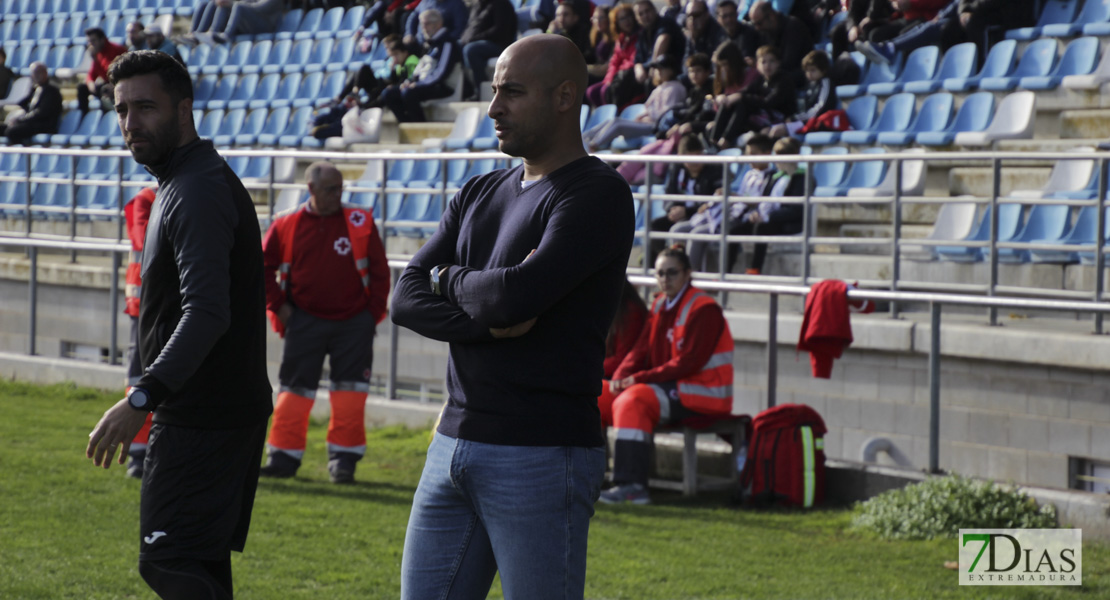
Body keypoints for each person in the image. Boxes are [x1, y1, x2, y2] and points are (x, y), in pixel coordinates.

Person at [390, 34, 634, 599]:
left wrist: (449, 280)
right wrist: (485, 313)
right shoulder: (480, 190)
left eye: (513, 93)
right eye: (495, 91)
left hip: (542, 454)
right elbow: (403, 296)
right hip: (450, 444)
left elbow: (511, 300)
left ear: (565, 97)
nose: (494, 108)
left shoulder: (597, 194)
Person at [85, 50, 272, 600]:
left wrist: (140, 399)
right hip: (209, 411)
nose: (130, 123)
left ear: (184, 109)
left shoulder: (195, 189)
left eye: (145, 107)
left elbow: (207, 312)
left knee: (167, 561)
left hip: (204, 417)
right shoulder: (181, 180)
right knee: (199, 564)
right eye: (121, 110)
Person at [259, 162, 389, 484]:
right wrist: (281, 307)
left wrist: (369, 316)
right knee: (294, 392)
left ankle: (344, 463)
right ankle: (283, 458)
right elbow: (260, 268)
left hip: (353, 324)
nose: (338, 195)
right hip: (304, 321)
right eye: (331, 189)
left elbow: (381, 272)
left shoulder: (360, 221)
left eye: (341, 188)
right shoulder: (286, 224)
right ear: (311, 190)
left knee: (350, 394)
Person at [597, 246, 734, 504]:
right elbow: (641, 349)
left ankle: (632, 486)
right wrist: (622, 376)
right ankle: (589, 476)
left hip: (703, 394)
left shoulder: (704, 308)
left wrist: (639, 379)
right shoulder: (660, 304)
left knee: (633, 400)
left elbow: (689, 362)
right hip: (669, 389)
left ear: (687, 274)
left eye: (672, 273)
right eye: (660, 273)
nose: (665, 279)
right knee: (596, 394)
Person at [669, 132, 774, 271]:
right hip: (725, 213)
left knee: (697, 235)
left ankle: (690, 279)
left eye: (753, 154)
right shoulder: (749, 174)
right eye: (748, 154)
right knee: (676, 230)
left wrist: (732, 197)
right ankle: (674, 270)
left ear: (767, 153)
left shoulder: (771, 177)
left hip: (738, 219)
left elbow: (759, 203)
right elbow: (741, 197)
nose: (749, 158)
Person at [727, 135, 806, 274]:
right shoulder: (775, 176)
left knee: (761, 227)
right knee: (735, 230)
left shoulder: (802, 178)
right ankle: (725, 271)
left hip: (787, 223)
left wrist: (767, 217)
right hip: (767, 219)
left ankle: (754, 268)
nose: (775, 161)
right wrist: (756, 213)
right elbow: (764, 201)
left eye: (779, 157)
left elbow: (796, 210)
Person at [122, 185, 157, 479]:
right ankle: (138, 453)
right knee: (140, 379)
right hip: (146, 307)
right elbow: (147, 243)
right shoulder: (147, 199)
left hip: (183, 308)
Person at [582, 55, 685, 151]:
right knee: (614, 120)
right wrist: (643, 116)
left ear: (672, 70)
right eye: (657, 68)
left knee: (618, 125)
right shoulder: (660, 87)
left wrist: (647, 117)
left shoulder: (675, 88)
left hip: (654, 126)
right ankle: (583, 138)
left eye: (662, 68)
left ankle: (593, 146)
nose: (658, 71)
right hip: (647, 122)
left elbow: (666, 113)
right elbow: (647, 107)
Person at [376, 9, 461, 123]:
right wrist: (409, 81)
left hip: (443, 86)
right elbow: (420, 69)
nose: (424, 28)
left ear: (439, 24)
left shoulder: (447, 43)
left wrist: (417, 84)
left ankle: (419, 125)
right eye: (422, 24)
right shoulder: (429, 43)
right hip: (426, 83)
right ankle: (407, 124)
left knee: (409, 93)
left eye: (427, 24)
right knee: (389, 93)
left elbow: (441, 72)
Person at [650, 133, 722, 260]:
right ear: (681, 157)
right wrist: (672, 210)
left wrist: (687, 212)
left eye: (698, 156)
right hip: (680, 213)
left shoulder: (714, 168)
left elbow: (713, 201)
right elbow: (669, 193)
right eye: (690, 157)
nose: (695, 162)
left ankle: (678, 266)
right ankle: (660, 262)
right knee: (656, 226)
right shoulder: (676, 167)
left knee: (679, 230)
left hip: (701, 216)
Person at [709, 44, 796, 149]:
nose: (767, 65)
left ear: (778, 63)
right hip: (764, 116)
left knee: (743, 104)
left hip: (779, 118)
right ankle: (713, 141)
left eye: (772, 61)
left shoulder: (783, 80)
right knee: (730, 102)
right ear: (758, 65)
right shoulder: (761, 79)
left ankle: (725, 142)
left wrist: (741, 96)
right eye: (763, 62)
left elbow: (768, 102)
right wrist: (725, 97)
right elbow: (744, 92)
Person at [767, 49, 836, 138]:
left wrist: (795, 118)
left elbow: (820, 108)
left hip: (816, 122)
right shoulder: (810, 84)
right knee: (766, 131)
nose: (809, 74)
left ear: (823, 70)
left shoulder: (826, 82)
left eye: (813, 70)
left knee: (777, 131)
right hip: (805, 120)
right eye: (807, 71)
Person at [459, 0, 518, 100]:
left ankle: (481, 91)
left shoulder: (501, 4)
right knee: (454, 47)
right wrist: (464, 40)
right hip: (477, 42)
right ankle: (466, 89)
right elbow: (470, 28)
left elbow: (500, 30)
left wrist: (474, 38)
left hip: (499, 44)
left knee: (471, 50)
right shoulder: (477, 5)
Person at [339, 34, 419, 106]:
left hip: (386, 84)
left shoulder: (408, 61)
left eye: (388, 48)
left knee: (383, 89)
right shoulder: (390, 60)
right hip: (379, 82)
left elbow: (403, 79)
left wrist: (392, 70)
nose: (388, 51)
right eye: (386, 48)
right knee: (363, 69)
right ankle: (352, 94)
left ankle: (362, 105)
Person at [584, 4, 639, 107]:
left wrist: (583, 67)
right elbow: (614, 62)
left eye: (628, 16)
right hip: (616, 76)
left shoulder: (638, 36)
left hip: (628, 76)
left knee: (602, 89)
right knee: (591, 91)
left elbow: (632, 60)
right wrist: (608, 80)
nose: (627, 21)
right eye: (622, 19)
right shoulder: (620, 39)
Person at [747, 1, 813, 84]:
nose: (757, 28)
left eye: (759, 23)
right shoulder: (765, 32)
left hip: (797, 78)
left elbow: (789, 64)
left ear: (771, 16)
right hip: (777, 77)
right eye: (754, 24)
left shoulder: (793, 27)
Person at [0, 62, 62, 144]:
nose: (36, 75)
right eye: (34, 73)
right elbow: (24, 104)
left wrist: (20, 120)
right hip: (30, 123)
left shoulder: (51, 90)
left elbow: (42, 113)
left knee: (12, 131)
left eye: (39, 72)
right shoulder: (35, 89)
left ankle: (22, 153)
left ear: (45, 73)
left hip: (43, 125)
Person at [605, 280, 649, 381]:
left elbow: (622, 358)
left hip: (622, 377)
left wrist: (588, 367)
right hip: (611, 373)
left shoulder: (630, 311)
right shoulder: (610, 307)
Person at [77, 28, 126, 114]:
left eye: (93, 41)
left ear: (102, 39)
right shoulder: (98, 53)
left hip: (117, 84)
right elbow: (92, 74)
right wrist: (90, 82)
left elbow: (110, 73)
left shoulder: (116, 50)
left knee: (103, 90)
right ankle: (82, 116)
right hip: (107, 84)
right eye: (89, 41)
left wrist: (96, 59)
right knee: (82, 88)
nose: (91, 44)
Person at [189, 0, 285, 44]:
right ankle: (203, 33)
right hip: (253, 22)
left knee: (238, 6)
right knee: (218, 4)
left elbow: (260, 8)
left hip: (265, 25)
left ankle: (226, 35)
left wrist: (232, 3)